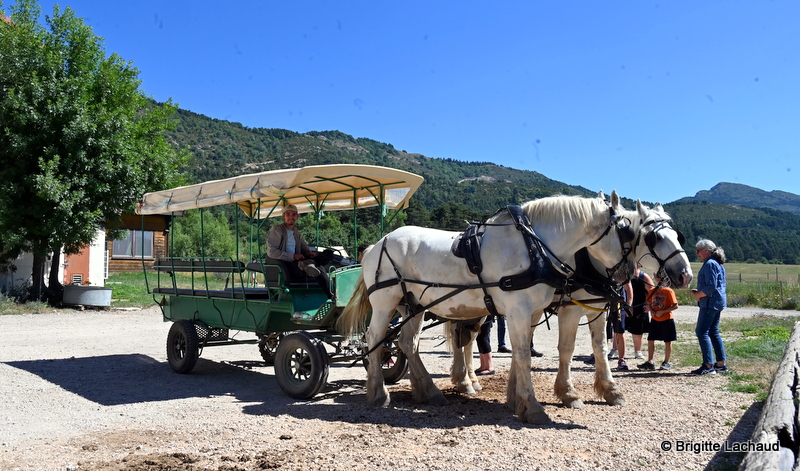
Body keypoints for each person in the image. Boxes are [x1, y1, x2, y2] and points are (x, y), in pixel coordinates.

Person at [266, 204, 333, 299]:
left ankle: (311, 265)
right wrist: (293, 256)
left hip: (298, 261)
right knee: (319, 270)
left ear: (297, 216)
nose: (291, 217)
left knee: (327, 255)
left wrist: (310, 253)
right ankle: (331, 295)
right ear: (283, 216)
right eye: (288, 214)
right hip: (285, 263)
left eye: (293, 214)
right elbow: (272, 252)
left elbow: (303, 245)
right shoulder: (277, 230)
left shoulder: (295, 231)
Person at [691, 239, 728, 375]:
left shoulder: (709, 264)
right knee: (713, 331)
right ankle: (720, 364)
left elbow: (711, 286)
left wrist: (698, 295)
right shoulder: (717, 263)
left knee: (702, 331)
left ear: (706, 250)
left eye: (698, 250)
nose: (697, 254)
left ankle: (708, 366)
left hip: (709, 303)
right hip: (717, 302)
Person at [638, 275, 678, 371]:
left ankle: (666, 362)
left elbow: (675, 305)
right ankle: (650, 361)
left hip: (667, 319)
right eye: (657, 276)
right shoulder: (652, 290)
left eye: (660, 277)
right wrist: (651, 311)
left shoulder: (669, 291)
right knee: (650, 340)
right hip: (655, 319)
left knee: (667, 341)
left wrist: (663, 312)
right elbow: (648, 303)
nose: (658, 279)